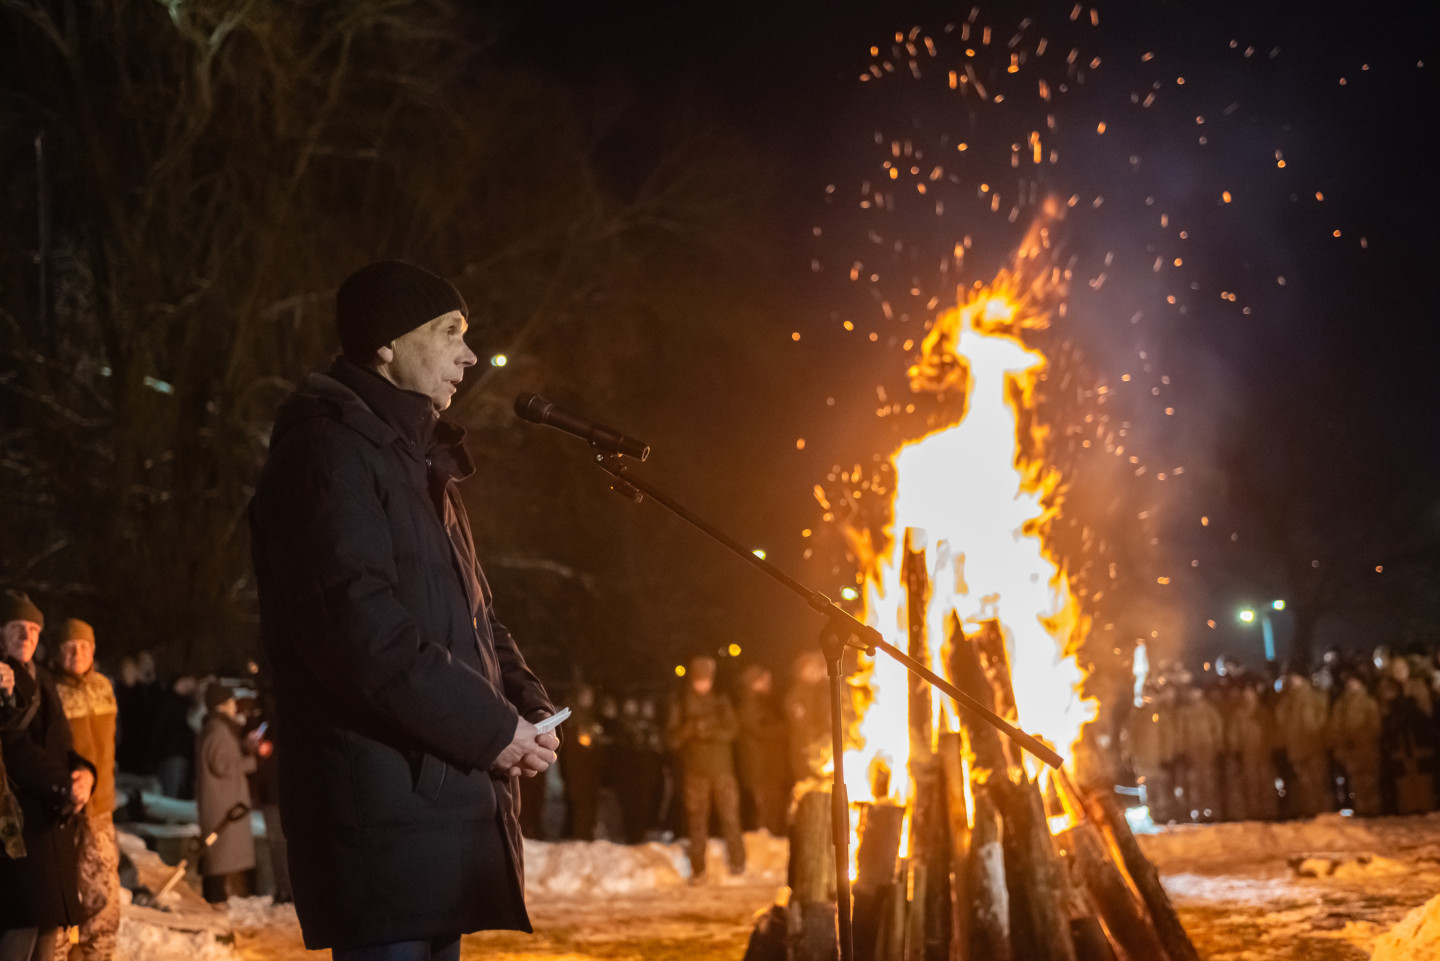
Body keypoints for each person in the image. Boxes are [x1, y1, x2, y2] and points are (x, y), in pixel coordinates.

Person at [249, 261, 559, 960]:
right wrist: (489, 727)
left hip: (431, 807)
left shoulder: (418, 462)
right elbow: (361, 633)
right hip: (378, 815)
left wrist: (525, 701)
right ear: (386, 343)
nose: (470, 354)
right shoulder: (327, 455)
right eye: (450, 331)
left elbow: (475, 612)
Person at [0, 591, 96, 961]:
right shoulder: (3, 676)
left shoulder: (41, 678)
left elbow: (63, 744)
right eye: (16, 628)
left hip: (49, 822)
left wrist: (83, 773)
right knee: (21, 924)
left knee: (47, 929)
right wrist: (62, 784)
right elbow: (11, 745)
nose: (27, 637)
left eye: (34, 629)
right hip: (18, 825)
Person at [50, 619, 121, 961]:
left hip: (101, 809)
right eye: (69, 646)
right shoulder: (49, 688)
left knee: (104, 901)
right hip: (62, 812)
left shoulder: (104, 687)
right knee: (60, 899)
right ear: (57, 650)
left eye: (84, 646)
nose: (77, 653)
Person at [666, 655, 745, 881]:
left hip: (723, 771)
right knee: (697, 823)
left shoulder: (721, 699)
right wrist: (691, 729)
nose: (702, 684)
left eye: (706, 679)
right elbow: (671, 740)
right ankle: (698, 870)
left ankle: (739, 864)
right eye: (698, 680)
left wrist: (710, 731)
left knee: (731, 817)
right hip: (695, 772)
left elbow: (733, 730)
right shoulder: (680, 702)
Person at [195, 683, 256, 903]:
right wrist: (251, 761)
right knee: (219, 860)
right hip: (223, 807)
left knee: (219, 859)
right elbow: (222, 765)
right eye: (231, 702)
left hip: (224, 804)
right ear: (223, 704)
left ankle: (216, 899)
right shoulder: (218, 729)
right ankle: (214, 901)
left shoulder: (216, 727)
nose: (234, 706)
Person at [734, 664, 790, 836]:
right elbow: (762, 731)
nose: (768, 684)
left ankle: (772, 846)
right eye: (764, 681)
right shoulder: (748, 705)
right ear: (753, 683)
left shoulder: (766, 703)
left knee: (775, 810)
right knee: (763, 813)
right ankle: (763, 849)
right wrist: (785, 728)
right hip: (758, 769)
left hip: (772, 768)